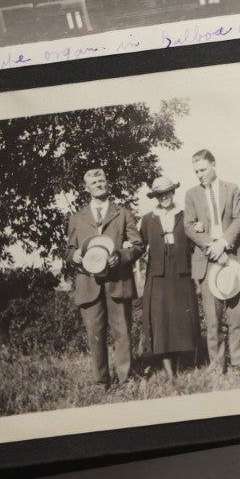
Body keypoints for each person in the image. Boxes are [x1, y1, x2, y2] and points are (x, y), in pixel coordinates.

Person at [65, 166, 144, 388]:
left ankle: (126, 380)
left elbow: (138, 246)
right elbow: (68, 251)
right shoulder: (77, 218)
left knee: (123, 334)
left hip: (118, 282)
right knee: (94, 336)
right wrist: (76, 257)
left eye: (102, 181)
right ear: (86, 188)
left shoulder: (123, 213)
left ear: (107, 183)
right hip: (89, 285)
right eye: (94, 183)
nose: (99, 185)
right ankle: (101, 383)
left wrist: (120, 255)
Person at [184, 150, 240, 371]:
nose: (199, 175)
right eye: (196, 171)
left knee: (236, 315)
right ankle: (217, 365)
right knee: (213, 319)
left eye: (202, 169)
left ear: (213, 165)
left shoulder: (232, 189)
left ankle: (239, 362)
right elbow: (188, 226)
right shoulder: (191, 194)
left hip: (232, 256)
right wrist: (210, 245)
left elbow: (239, 218)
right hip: (207, 259)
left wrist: (223, 243)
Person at [139, 176, 201, 377]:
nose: (164, 197)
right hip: (157, 275)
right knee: (161, 321)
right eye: (159, 194)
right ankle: (168, 372)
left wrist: (200, 229)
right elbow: (140, 245)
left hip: (181, 272)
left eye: (167, 192)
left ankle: (182, 366)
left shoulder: (185, 216)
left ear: (173, 192)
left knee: (181, 319)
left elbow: (193, 243)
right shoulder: (148, 219)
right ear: (155, 196)